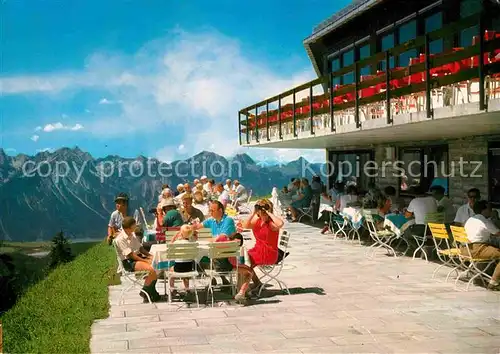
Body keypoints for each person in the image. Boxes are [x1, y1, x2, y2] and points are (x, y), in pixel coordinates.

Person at [236, 199, 284, 302]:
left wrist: (269, 212)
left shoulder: (271, 224)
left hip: (269, 253)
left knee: (247, 262)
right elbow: (245, 225)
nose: (261, 211)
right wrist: (253, 212)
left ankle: (242, 291)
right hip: (257, 250)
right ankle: (253, 285)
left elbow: (280, 224)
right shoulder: (257, 221)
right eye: (259, 209)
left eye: (263, 209)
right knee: (241, 259)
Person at [114, 217, 161, 302]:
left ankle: (150, 293)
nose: (136, 226)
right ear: (129, 227)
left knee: (156, 266)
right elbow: (130, 255)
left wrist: (150, 256)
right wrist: (146, 260)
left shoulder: (132, 235)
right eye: (134, 225)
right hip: (128, 262)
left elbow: (140, 248)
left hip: (135, 259)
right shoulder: (120, 239)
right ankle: (146, 292)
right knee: (151, 270)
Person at [463, 200, 500, 291]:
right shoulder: (484, 221)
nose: (491, 211)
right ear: (484, 210)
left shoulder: (470, 219)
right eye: (490, 209)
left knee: (493, 249)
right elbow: (497, 232)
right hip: (477, 250)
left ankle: (483, 276)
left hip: (465, 249)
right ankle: (494, 282)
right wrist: (495, 218)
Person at [168, 224, 197, 293]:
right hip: (189, 267)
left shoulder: (176, 242)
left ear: (180, 233)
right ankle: (187, 288)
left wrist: (175, 236)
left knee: (171, 270)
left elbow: (170, 245)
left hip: (178, 267)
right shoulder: (192, 243)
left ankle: (172, 288)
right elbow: (195, 239)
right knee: (185, 275)